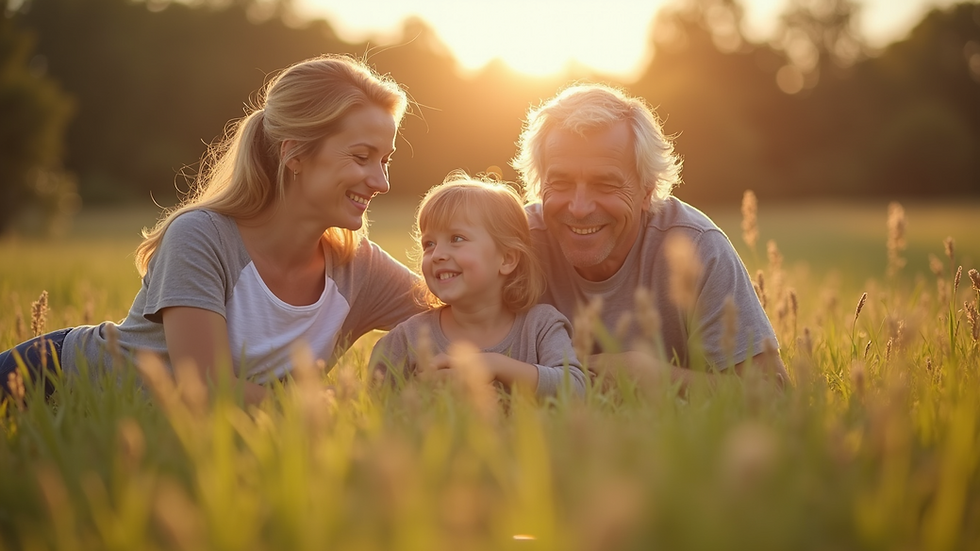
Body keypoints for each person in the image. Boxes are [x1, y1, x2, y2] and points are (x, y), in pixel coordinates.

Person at [0, 55, 423, 405]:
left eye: (384, 160)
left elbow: (473, 316)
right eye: (362, 156)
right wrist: (336, 406)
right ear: (294, 154)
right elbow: (203, 390)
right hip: (49, 381)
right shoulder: (201, 237)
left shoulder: (359, 268)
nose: (381, 181)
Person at [511, 83, 788, 387]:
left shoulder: (698, 248)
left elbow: (773, 393)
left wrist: (657, 379)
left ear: (647, 190)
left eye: (605, 184)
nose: (578, 208)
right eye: (560, 183)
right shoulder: (514, 246)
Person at [369, 173, 586, 398]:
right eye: (429, 243)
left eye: (457, 239)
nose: (437, 255)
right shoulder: (407, 339)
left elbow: (576, 389)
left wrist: (494, 365)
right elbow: (374, 412)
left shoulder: (540, 326)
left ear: (507, 259)